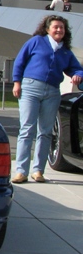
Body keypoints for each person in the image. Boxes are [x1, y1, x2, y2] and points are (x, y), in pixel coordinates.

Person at [11, 15, 83, 183]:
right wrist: (16, 83)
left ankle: (38, 171)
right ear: (47, 29)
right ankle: (21, 171)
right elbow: (20, 61)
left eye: (62, 27)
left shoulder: (65, 51)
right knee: (27, 129)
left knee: (45, 132)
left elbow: (76, 69)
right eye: (55, 27)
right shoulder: (36, 41)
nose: (59, 30)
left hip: (52, 92)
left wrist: (78, 75)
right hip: (30, 88)